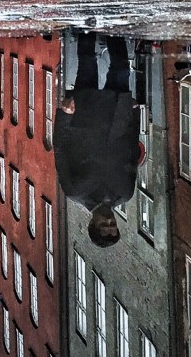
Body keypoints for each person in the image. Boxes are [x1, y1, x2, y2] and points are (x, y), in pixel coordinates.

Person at [54, 33, 140, 248]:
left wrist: (65, 115)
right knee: (120, 67)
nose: (110, 220)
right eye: (114, 224)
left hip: (85, 118)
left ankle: (87, 26)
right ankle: (113, 29)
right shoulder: (125, 193)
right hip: (117, 119)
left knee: (87, 63)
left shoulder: (75, 191)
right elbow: (131, 152)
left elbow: (61, 149)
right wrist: (134, 115)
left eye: (105, 224)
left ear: (93, 223)